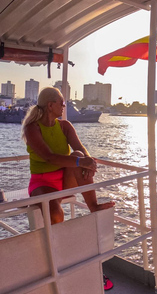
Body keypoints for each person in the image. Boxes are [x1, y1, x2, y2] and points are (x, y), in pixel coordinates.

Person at [21, 87, 114, 224]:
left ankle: (93, 206)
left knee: (79, 154)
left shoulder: (65, 126)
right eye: (62, 102)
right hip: (42, 183)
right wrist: (80, 162)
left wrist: (88, 163)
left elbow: (80, 148)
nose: (64, 105)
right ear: (50, 105)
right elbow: (49, 157)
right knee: (56, 215)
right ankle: (55, 242)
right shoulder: (32, 128)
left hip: (65, 180)